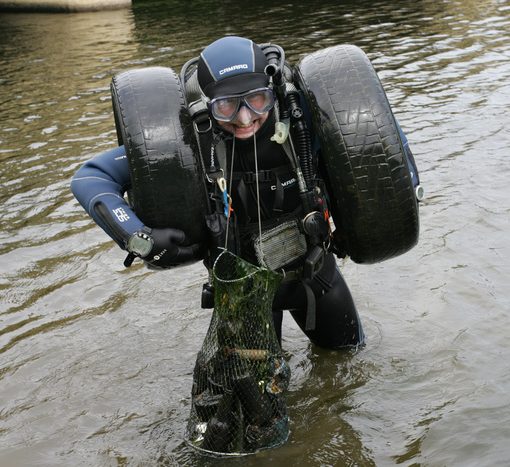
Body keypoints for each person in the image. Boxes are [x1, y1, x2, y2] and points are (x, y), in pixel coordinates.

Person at [71, 36, 419, 350]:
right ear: (207, 102)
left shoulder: (305, 118)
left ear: (271, 90)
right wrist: (138, 237)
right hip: (241, 292)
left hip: (316, 276)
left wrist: (409, 187)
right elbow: (90, 178)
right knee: (255, 406)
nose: (243, 118)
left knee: (350, 361)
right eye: (226, 106)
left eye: (256, 100)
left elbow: (383, 138)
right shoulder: (187, 140)